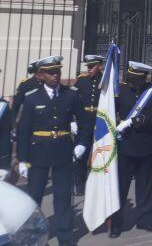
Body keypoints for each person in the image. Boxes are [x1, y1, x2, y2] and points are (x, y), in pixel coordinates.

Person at [16, 56, 87, 246]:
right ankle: (31, 236)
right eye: (50, 72)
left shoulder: (70, 95)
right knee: (34, 197)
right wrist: (22, 159)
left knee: (63, 197)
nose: (55, 76)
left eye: (58, 72)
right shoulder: (32, 98)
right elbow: (24, 131)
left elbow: (85, 122)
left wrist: (82, 143)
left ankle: (64, 236)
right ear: (41, 75)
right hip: (37, 154)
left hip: (63, 152)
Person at [110, 61, 152, 237]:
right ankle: (116, 223)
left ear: (144, 79)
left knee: (144, 186)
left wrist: (134, 121)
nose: (132, 82)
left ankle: (145, 220)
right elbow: (110, 113)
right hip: (125, 146)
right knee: (121, 187)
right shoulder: (121, 91)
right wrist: (117, 123)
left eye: (136, 79)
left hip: (145, 145)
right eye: (130, 78)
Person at [73, 54, 104, 195]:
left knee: (99, 154)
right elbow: (71, 100)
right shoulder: (81, 81)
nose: (89, 69)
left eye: (92, 66)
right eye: (88, 67)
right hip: (83, 120)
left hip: (99, 120)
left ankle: (97, 184)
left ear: (100, 66)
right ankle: (79, 184)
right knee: (81, 153)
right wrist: (72, 120)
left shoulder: (105, 81)